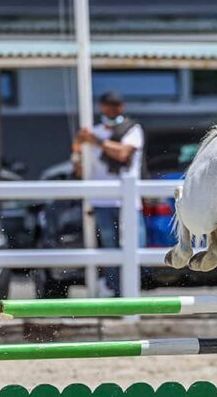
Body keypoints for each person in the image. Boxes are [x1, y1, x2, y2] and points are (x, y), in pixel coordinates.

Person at [72, 91, 146, 297]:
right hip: (101, 200)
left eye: (116, 104)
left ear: (122, 107)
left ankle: (131, 290)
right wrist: (78, 150)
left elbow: (123, 153)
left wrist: (94, 140)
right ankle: (115, 291)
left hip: (128, 200)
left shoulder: (132, 129)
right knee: (109, 248)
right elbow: (80, 168)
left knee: (133, 245)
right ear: (101, 107)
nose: (112, 109)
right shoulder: (92, 132)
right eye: (108, 104)